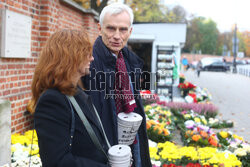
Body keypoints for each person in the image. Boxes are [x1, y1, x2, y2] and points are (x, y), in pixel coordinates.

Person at [82, 3, 152, 167]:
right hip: (103, 150)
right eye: (111, 28)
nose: (117, 35)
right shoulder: (87, 63)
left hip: (132, 141)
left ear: (130, 31)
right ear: (99, 28)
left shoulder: (131, 61)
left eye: (123, 29)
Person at [31, 29, 110, 167]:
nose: (92, 58)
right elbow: (56, 161)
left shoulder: (75, 91)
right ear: (71, 56)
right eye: (87, 53)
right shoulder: (53, 100)